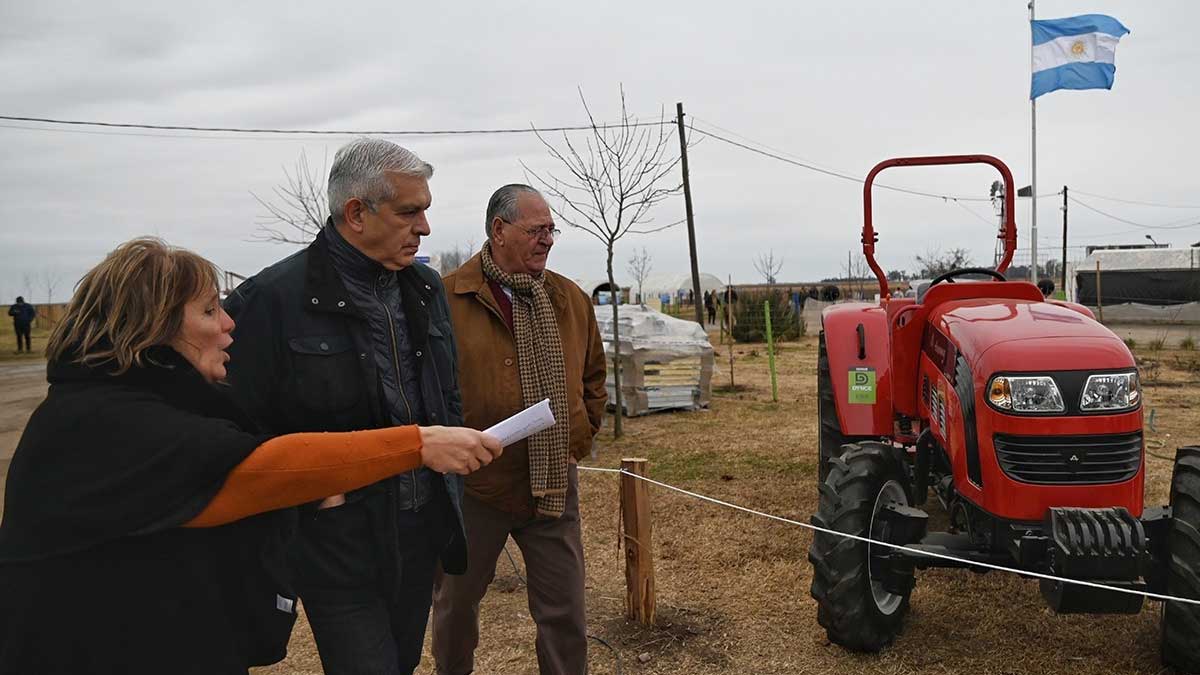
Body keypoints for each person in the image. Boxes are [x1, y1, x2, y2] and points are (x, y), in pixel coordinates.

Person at [0, 238, 501, 675]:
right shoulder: (103, 424)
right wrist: (418, 444)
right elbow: (257, 470)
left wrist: (304, 497)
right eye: (209, 311)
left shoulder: (148, 403)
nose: (229, 323)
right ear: (153, 326)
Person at [223, 138, 468, 675]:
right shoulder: (271, 300)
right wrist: (306, 500)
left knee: (400, 663)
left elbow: (445, 395)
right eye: (410, 211)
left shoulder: (426, 288)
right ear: (356, 213)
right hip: (335, 543)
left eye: (425, 210)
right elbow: (234, 427)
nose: (424, 227)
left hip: (420, 526)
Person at [433, 184, 608, 675]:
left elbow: (594, 376)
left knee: (565, 613)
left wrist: (579, 438)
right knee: (456, 607)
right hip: (476, 486)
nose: (547, 240)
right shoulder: (446, 300)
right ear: (498, 231)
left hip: (553, 484)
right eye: (536, 230)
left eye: (551, 230)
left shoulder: (569, 299)